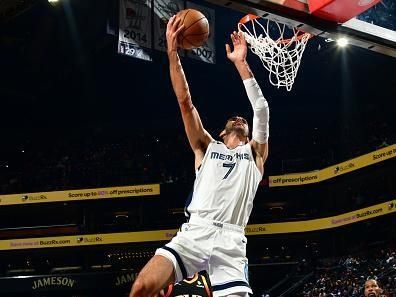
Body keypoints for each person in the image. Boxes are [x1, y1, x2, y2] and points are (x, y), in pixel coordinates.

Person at [130, 14, 269, 297]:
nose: (240, 118)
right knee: (142, 286)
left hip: (231, 240)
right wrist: (172, 53)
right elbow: (185, 101)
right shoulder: (207, 148)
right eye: (234, 119)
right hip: (195, 231)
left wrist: (241, 64)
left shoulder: (255, 153)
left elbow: (261, 109)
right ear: (221, 132)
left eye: (243, 119)